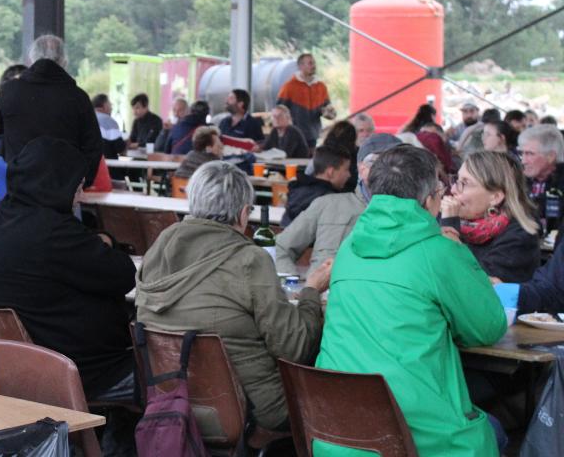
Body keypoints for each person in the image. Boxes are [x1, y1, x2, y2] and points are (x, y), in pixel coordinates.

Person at [315, 145, 507, 457]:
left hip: (336, 434)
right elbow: (488, 328)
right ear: (431, 197)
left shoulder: (349, 248)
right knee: (497, 428)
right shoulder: (440, 252)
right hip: (418, 439)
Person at [136, 160, 330, 431]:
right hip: (253, 409)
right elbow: (294, 347)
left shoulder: (160, 245)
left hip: (171, 400)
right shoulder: (250, 259)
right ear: (243, 213)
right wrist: (311, 291)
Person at [0, 136, 136, 401]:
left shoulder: (4, 215)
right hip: (86, 372)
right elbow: (124, 275)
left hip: (27, 367)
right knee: (169, 374)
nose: (79, 195)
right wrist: (107, 244)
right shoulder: (52, 230)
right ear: (57, 181)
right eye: (77, 185)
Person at [275, 133, 402, 275]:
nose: (391, 170)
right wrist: (294, 285)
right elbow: (282, 247)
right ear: (361, 168)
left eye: (399, 164)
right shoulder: (328, 204)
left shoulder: (415, 215)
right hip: (322, 296)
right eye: (380, 162)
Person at [0, 35, 102, 185]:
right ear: (64, 61)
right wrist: (82, 182)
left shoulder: (10, 91)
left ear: (31, 60)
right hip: (63, 189)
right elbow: (93, 146)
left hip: (19, 186)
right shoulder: (79, 97)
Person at [441, 151, 540, 282]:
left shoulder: (519, 238)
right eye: (457, 180)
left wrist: (449, 228)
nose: (453, 189)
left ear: (495, 197)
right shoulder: (457, 221)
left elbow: (473, 285)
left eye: (465, 183)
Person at [281, 145, 351, 227]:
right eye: (346, 169)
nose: (349, 175)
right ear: (330, 172)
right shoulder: (331, 201)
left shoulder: (297, 192)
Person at [276, 52, 334, 149]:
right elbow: (279, 110)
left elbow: (328, 109)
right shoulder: (289, 86)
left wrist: (329, 113)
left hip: (313, 135)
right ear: (301, 66)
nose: (314, 66)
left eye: (314, 63)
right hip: (293, 135)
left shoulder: (321, 86)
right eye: (310, 63)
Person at [518, 124, 564, 236]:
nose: (523, 161)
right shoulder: (517, 179)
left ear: (551, 156)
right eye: (521, 153)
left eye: (529, 154)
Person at [92, 93, 125, 159]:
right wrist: (127, 142)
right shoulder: (109, 122)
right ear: (103, 106)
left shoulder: (86, 119)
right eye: (109, 104)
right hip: (107, 165)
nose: (111, 108)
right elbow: (120, 148)